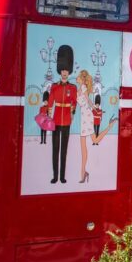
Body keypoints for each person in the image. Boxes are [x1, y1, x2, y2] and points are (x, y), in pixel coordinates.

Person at [45, 45, 76, 184]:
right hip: (56, 120)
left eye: (66, 70)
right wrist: (48, 114)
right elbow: (50, 102)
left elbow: (74, 102)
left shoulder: (72, 88)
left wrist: (73, 111)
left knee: (64, 150)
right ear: (60, 71)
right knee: (55, 150)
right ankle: (55, 176)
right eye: (63, 69)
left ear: (69, 71)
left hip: (67, 121)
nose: (64, 72)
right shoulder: (54, 86)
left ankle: (62, 176)